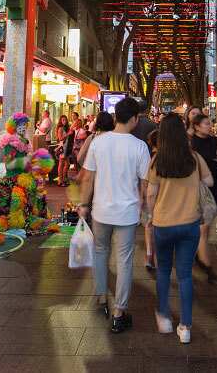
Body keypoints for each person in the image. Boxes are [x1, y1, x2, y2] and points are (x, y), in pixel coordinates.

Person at [78, 97, 151, 334]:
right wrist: (145, 206)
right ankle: (119, 313)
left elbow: (88, 177)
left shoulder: (99, 142)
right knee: (124, 261)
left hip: (101, 210)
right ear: (134, 119)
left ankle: (101, 298)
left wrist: (83, 204)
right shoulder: (140, 146)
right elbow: (145, 183)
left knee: (100, 253)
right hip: (127, 213)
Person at [146, 113, 212, 344]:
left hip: (163, 224)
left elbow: (151, 193)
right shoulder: (193, 158)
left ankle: (163, 316)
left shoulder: (157, 161)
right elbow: (210, 182)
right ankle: (185, 327)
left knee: (163, 271)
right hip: (189, 224)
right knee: (185, 275)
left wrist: (149, 215)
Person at [190, 113, 217, 282]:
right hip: (199, 188)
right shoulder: (191, 144)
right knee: (203, 228)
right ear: (196, 126)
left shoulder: (214, 141)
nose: (209, 126)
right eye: (205, 123)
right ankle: (206, 265)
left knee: (206, 227)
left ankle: (198, 252)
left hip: (214, 184)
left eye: (209, 123)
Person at [144, 129, 159, 272]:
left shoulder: (152, 158)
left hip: (153, 199)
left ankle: (150, 255)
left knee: (149, 226)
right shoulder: (159, 158)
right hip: (161, 200)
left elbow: (147, 184)